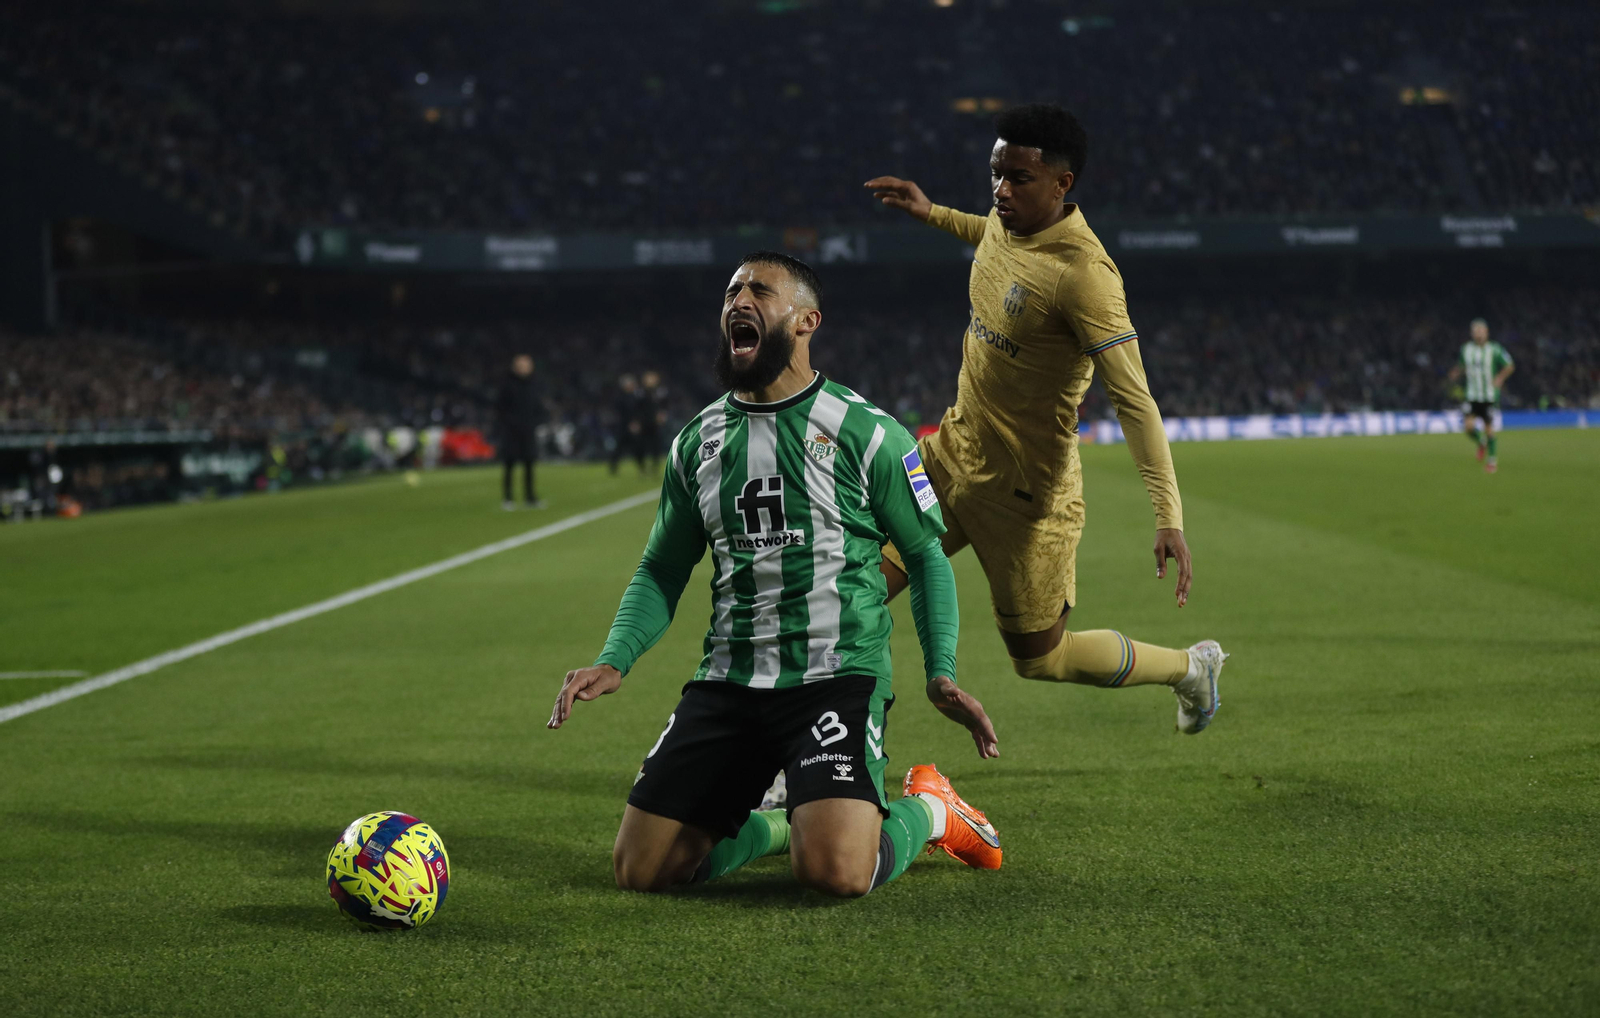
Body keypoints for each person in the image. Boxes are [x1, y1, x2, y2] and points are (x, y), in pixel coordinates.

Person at [549, 252, 1003, 898]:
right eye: (732, 290)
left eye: (760, 290)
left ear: (807, 320)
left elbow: (927, 554)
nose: (739, 300)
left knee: (836, 875)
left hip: (834, 677)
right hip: (730, 682)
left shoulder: (866, 433)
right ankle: (781, 821)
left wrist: (942, 670)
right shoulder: (696, 443)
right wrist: (615, 658)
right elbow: (661, 567)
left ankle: (932, 811)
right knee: (642, 871)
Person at [862, 103, 1227, 732]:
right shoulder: (1009, 222)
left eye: (1018, 179)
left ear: (1063, 185)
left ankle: (1189, 669)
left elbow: (1135, 400)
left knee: (1041, 658)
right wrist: (933, 213)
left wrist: (1169, 515)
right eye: (996, 174)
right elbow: (993, 238)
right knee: (853, 589)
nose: (1001, 190)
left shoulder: (1085, 278)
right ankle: (822, 756)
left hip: (1025, 495)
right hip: (947, 457)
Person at [1447, 318, 1514, 474]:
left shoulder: (1495, 349)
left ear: (1487, 333)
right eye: (1475, 331)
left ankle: (1492, 461)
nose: (1478, 334)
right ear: (1471, 334)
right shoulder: (1466, 349)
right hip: (1472, 395)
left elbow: (1510, 365)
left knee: (1489, 428)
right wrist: (1456, 373)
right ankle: (1481, 442)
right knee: (1468, 427)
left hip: (1489, 396)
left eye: (1481, 331)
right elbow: (1462, 365)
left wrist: (1500, 377)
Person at [495, 354, 546, 509]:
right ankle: (508, 498)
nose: (525, 368)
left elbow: (538, 406)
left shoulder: (534, 384)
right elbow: (500, 408)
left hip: (528, 430)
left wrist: (537, 422)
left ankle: (530, 497)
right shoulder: (507, 385)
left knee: (529, 463)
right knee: (509, 464)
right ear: (515, 367)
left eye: (527, 365)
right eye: (522, 365)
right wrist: (509, 423)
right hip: (511, 431)